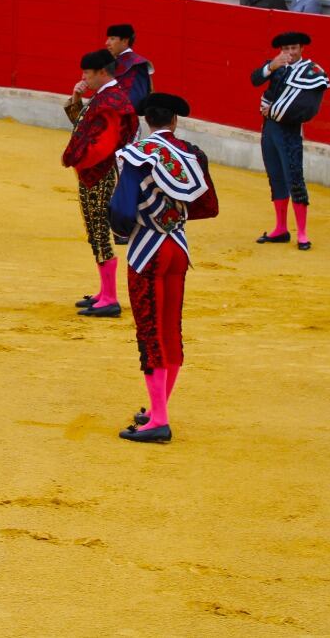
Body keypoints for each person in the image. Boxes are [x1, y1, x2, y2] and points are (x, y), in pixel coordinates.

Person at [107, 92, 216, 444]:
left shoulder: (135, 155)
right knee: (170, 328)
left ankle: (159, 421)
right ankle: (158, 409)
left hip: (146, 249)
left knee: (150, 332)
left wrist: (131, 228)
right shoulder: (192, 154)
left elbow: (122, 215)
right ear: (175, 121)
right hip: (178, 247)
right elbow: (207, 205)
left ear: (146, 121)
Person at [64, 50, 139, 318]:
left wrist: (80, 160)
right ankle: (104, 290)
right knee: (94, 230)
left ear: (102, 73)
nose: (84, 77)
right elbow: (82, 127)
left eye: (87, 73)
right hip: (95, 172)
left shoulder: (112, 100)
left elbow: (102, 145)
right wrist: (76, 99)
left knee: (99, 230)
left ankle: (110, 297)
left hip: (101, 172)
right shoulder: (105, 97)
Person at [251, 31, 330, 250]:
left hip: (289, 131)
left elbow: (307, 106)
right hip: (269, 129)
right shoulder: (276, 66)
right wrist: (272, 67)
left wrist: (274, 111)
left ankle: (302, 233)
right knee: (275, 177)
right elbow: (255, 79)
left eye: (293, 48)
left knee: (294, 178)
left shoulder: (311, 71)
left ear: (302, 49)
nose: (290, 53)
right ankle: (280, 228)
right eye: (286, 49)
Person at [105, 23, 154, 107]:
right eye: (108, 39)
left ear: (125, 41)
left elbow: (136, 100)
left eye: (112, 39)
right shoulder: (115, 62)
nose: (107, 43)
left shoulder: (136, 64)